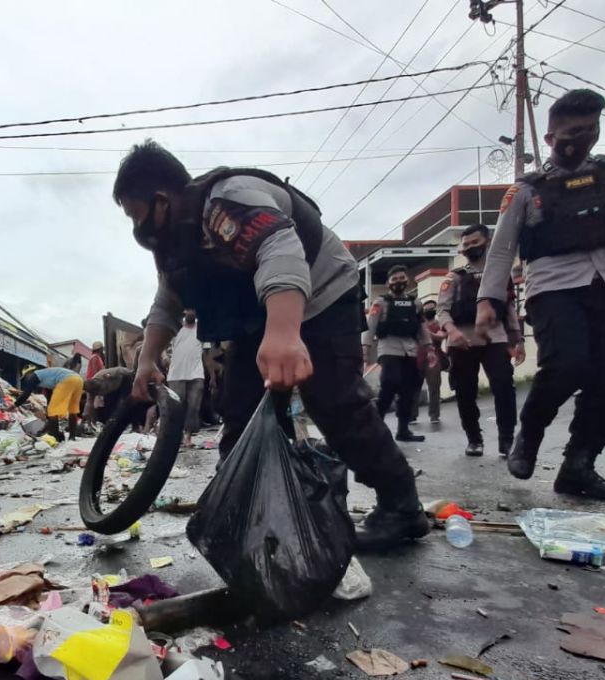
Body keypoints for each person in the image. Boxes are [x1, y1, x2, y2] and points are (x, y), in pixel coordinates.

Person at [112, 140, 428, 549]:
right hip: (257, 319)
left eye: (136, 216)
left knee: (334, 402)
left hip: (321, 294)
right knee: (240, 413)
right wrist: (147, 361)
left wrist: (283, 332)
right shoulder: (177, 244)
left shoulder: (228, 201)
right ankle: (244, 510)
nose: (138, 230)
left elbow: (279, 248)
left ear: (160, 200)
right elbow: (167, 303)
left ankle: (402, 508)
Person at [476, 88, 605, 500]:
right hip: (553, 287)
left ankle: (579, 464)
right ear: (551, 138)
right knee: (567, 364)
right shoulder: (526, 191)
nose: (582, 138)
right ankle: (529, 435)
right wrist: (488, 301)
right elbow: (502, 247)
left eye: (590, 129)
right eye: (573, 131)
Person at [439, 224, 525, 457]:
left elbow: (508, 308)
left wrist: (518, 340)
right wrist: (451, 331)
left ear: (487, 242)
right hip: (462, 342)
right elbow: (442, 310)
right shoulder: (454, 278)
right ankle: (474, 439)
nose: (469, 247)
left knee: (504, 387)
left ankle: (506, 440)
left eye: (474, 242)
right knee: (465, 393)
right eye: (465, 244)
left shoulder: (499, 274)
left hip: (494, 339)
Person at [366, 267, 430, 443]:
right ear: (388, 283)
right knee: (389, 384)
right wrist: (365, 348)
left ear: (408, 280)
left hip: (410, 350)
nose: (398, 281)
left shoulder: (415, 303)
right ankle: (376, 429)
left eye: (402, 278)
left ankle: (403, 430)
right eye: (394, 279)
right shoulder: (381, 302)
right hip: (389, 349)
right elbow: (370, 325)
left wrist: (429, 347)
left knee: (408, 392)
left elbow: (422, 327)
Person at [166, 310, 207, 447]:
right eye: (188, 310)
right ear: (184, 312)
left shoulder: (203, 329)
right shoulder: (175, 328)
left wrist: (212, 376)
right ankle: (174, 437)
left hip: (196, 373)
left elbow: (207, 354)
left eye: (193, 310)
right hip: (176, 374)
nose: (190, 312)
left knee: (193, 407)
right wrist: (164, 357)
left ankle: (188, 437)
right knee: (176, 407)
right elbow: (162, 346)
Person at [15, 366, 84, 442]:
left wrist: (15, 405)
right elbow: (50, 400)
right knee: (72, 411)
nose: (27, 380)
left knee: (53, 411)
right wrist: (46, 424)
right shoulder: (47, 377)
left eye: (26, 377)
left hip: (66, 380)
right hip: (78, 380)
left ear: (29, 373)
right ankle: (72, 437)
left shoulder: (35, 375)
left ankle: (56, 436)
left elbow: (26, 394)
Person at [411, 298, 446, 425]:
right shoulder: (416, 323)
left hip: (434, 359)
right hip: (416, 358)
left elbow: (441, 336)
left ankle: (434, 415)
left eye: (432, 308)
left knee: (434, 387)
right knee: (414, 387)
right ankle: (412, 416)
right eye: (426, 308)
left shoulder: (440, 324)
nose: (429, 310)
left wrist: (426, 332)